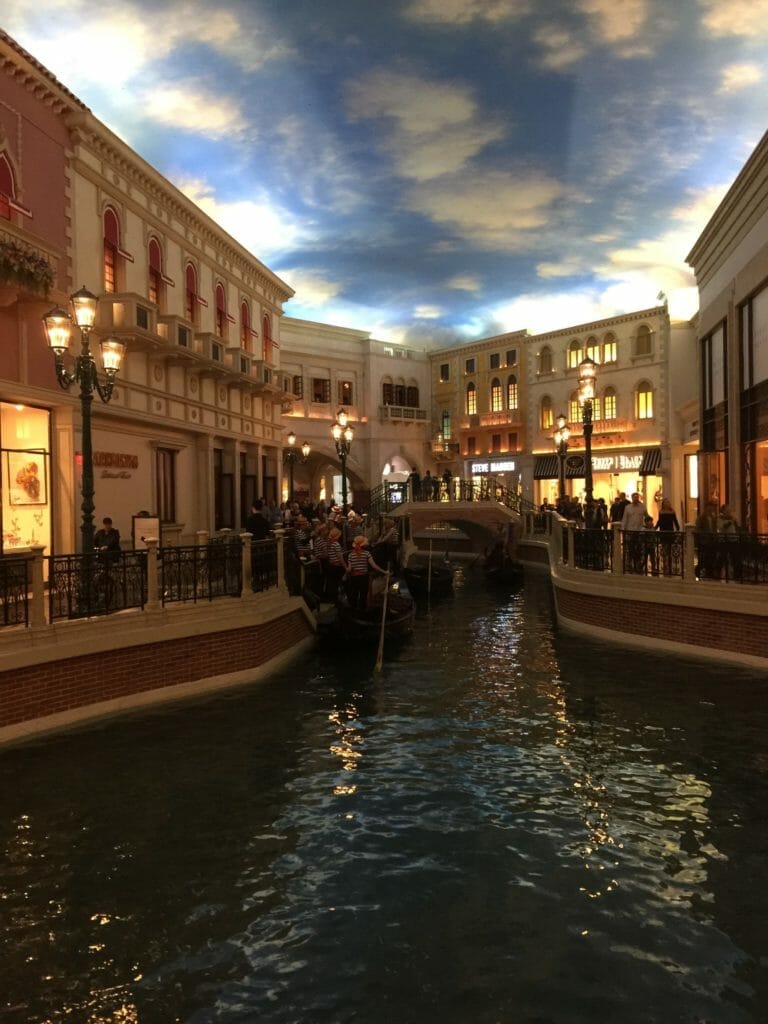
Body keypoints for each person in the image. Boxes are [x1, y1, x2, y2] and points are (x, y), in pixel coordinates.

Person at [344, 534, 386, 613]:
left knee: (354, 595)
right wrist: (384, 571)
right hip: (363, 577)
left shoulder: (351, 555)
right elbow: (374, 566)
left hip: (354, 578)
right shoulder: (366, 553)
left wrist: (346, 569)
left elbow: (349, 569)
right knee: (363, 595)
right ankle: (361, 612)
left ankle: (354, 612)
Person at [621, 492, 648, 572]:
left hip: (639, 531)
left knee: (639, 548)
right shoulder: (627, 507)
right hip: (630, 531)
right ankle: (629, 563)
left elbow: (646, 516)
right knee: (630, 548)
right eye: (634, 497)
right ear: (632, 498)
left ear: (638, 498)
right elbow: (625, 519)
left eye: (637, 497)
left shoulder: (642, 507)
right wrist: (623, 530)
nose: (636, 499)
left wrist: (648, 525)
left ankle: (638, 564)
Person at [654, 497, 680, 576]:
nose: (667, 503)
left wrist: (678, 529)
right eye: (666, 502)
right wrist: (655, 528)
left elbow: (675, 521)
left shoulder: (672, 512)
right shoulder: (661, 512)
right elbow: (659, 521)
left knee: (670, 548)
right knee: (664, 547)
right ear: (663, 504)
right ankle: (665, 563)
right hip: (663, 531)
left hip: (670, 531)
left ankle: (670, 563)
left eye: (668, 502)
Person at [695, 500, 719, 579]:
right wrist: (702, 537)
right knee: (703, 557)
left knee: (711, 556)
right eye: (710, 507)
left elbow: (714, 528)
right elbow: (698, 528)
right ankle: (698, 570)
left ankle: (710, 572)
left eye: (712, 507)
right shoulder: (701, 517)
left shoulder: (713, 517)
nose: (711, 509)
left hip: (712, 540)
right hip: (704, 541)